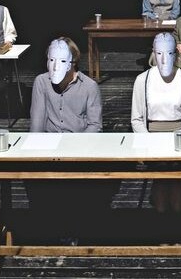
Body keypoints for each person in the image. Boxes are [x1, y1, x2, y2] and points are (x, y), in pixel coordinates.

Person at [26, 37, 111, 240]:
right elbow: (36, 124)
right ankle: (49, 226)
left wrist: (74, 147)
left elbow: (95, 126)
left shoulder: (89, 86)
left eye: (61, 61)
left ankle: (79, 225)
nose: (54, 67)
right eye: (50, 60)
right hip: (50, 148)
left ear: (73, 63)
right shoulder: (41, 82)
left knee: (79, 189)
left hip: (80, 147)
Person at [131, 33, 181, 213]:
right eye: (159, 53)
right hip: (153, 135)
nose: (163, 59)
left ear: (175, 54)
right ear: (153, 52)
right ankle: (163, 225)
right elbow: (137, 118)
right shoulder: (142, 80)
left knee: (176, 180)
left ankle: (177, 226)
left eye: (168, 53)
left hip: (179, 135)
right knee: (160, 179)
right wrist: (148, 141)